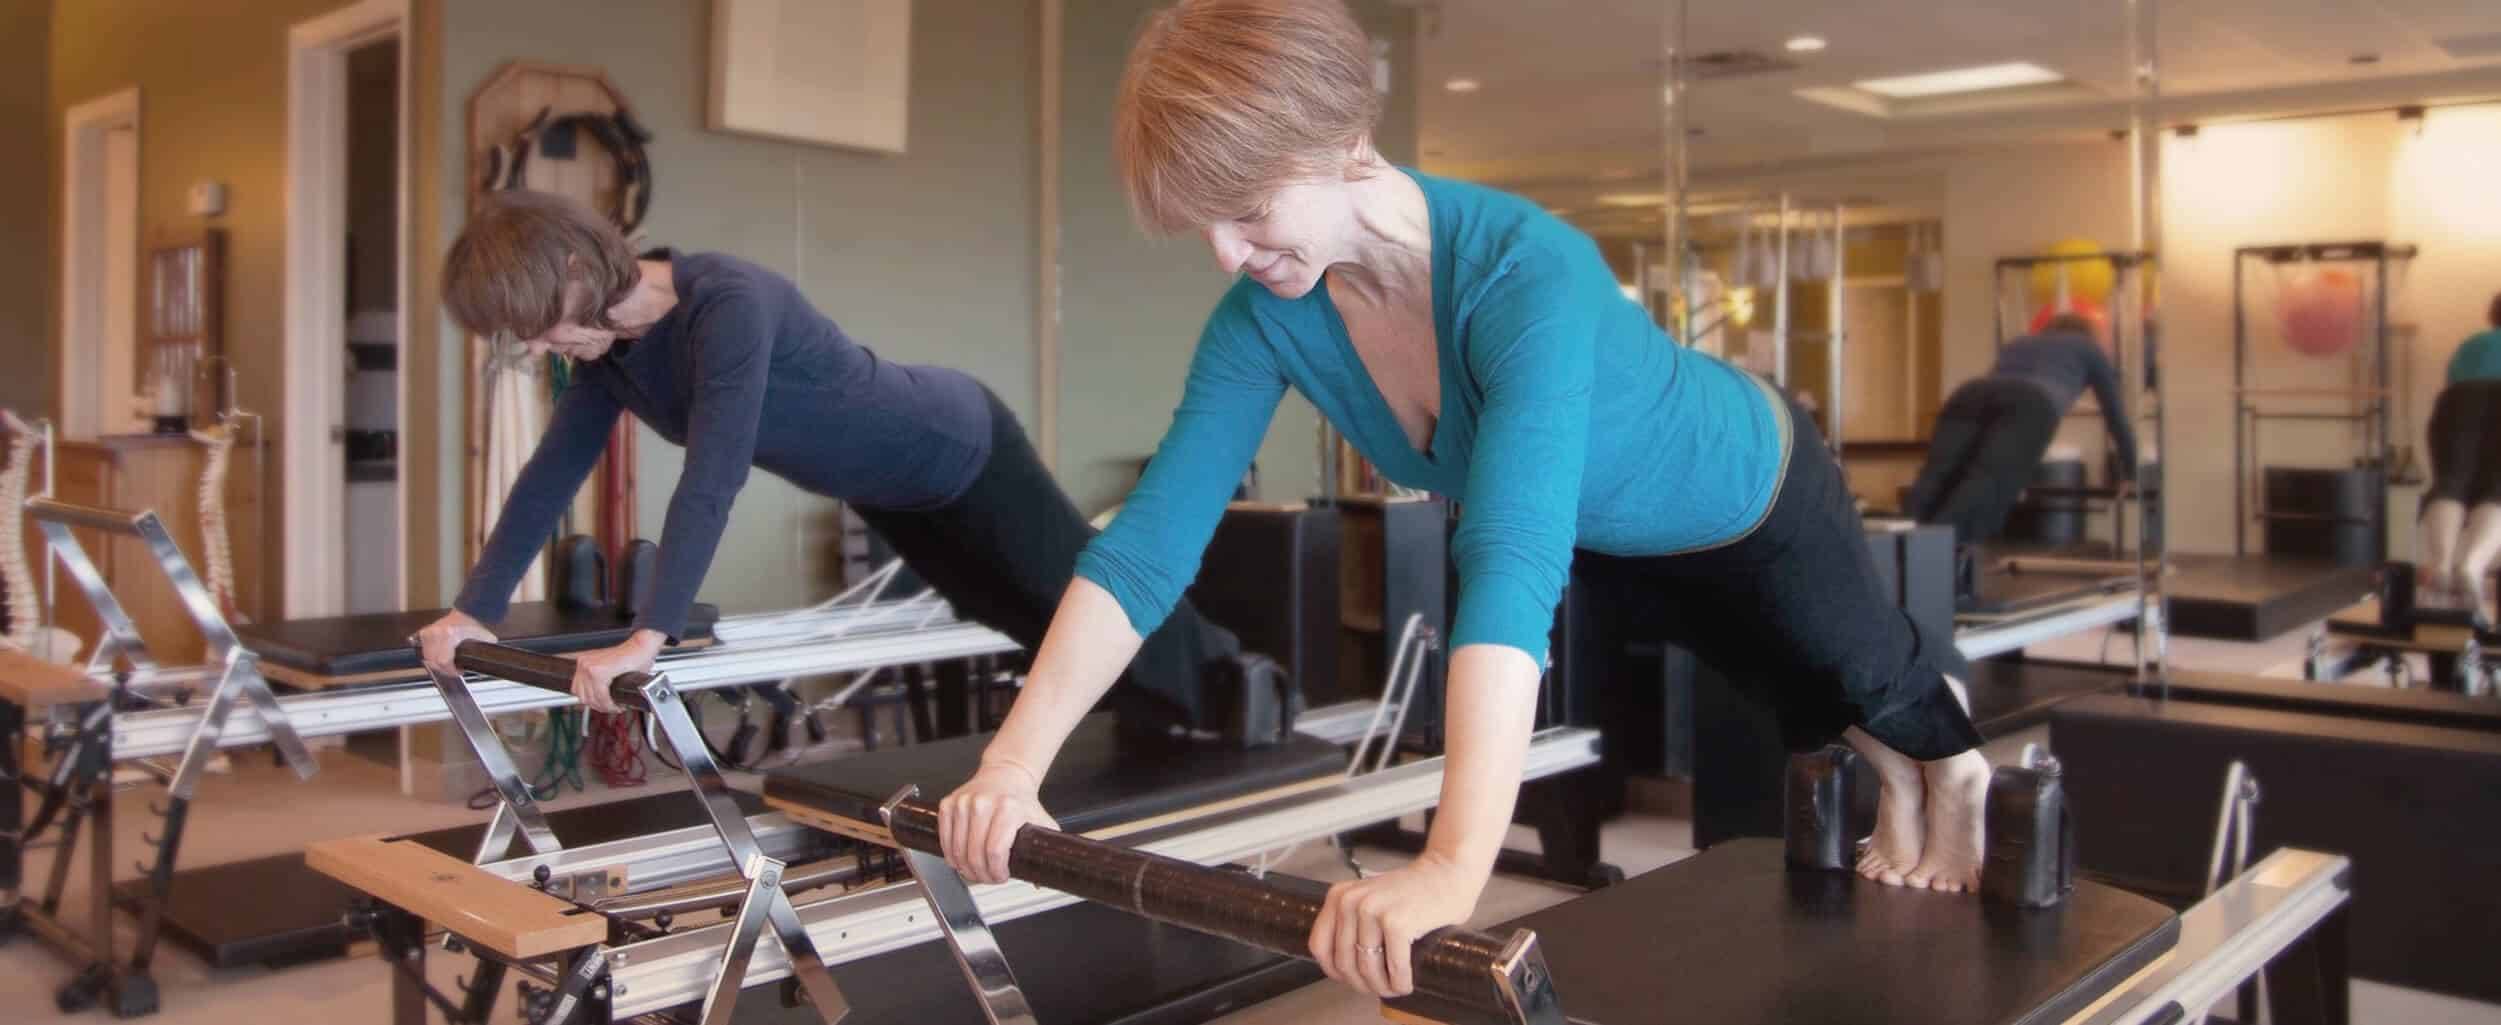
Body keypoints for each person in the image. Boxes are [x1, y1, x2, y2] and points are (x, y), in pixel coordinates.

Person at [934, 0, 1989, 1002]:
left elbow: (1506, 556)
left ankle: (1957, 774)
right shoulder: (1263, 316)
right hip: (1614, 532)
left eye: (1247, 210)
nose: (1223, 252)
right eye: (1203, 223)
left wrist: (1448, 867)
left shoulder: (1524, 270)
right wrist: (1010, 763)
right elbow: (1145, 547)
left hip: (1750, 482)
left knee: (1856, 665)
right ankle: (1892, 780)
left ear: (1344, 145)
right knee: (1784, 688)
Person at [413, 190, 1243, 738]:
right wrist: (472, 610)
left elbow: (714, 472)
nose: (531, 345)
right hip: (890, 492)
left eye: (534, 320)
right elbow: (548, 477)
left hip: (962, 447)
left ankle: (1236, 684)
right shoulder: (612, 359)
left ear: (576, 268)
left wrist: (648, 637)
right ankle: (1164, 716)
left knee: (1074, 604)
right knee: (1012, 613)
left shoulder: (726, 304)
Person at [1902, 312, 2141, 558]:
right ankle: (1932, 552)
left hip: (1969, 394)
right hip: (2031, 402)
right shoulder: (2089, 348)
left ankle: (1899, 542)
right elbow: (2115, 414)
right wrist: (2132, 472)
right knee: (1988, 479)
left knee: (1937, 474)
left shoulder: (2020, 343)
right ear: (2087, 332)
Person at [2419, 296, 2501, 606]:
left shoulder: (2472, 345)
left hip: (2458, 401)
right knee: (2498, 490)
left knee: (2450, 484)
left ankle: (2440, 563)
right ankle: (2473, 564)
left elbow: (2453, 382)